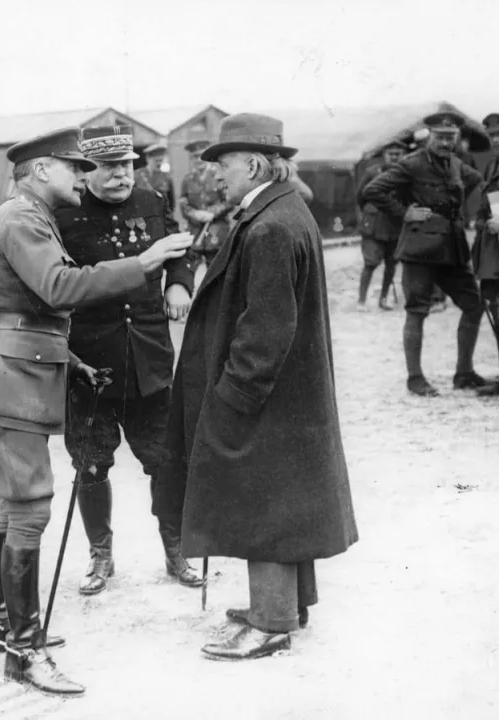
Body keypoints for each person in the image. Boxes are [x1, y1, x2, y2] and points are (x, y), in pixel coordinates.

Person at [0, 127, 192, 696]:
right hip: (12, 376)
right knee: (28, 505)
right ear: (39, 170)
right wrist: (145, 262)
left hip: (17, 367)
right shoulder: (23, 219)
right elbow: (57, 288)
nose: (83, 176)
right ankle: (24, 650)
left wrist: (73, 358)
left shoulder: (25, 216)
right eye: (72, 167)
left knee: (9, 504)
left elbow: (29, 309)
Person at [154, 113, 358, 661]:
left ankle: (271, 622)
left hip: (264, 394)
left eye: (222, 164)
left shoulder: (269, 225)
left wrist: (232, 396)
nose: (216, 175)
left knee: (262, 503)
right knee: (283, 500)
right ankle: (288, 605)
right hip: (289, 393)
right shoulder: (285, 210)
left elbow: (266, 330)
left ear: (252, 163)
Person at [55, 125, 202, 597]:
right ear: (86, 170)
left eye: (127, 164)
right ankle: (101, 555)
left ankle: (176, 551)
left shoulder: (151, 200)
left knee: (165, 460)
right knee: (91, 465)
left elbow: (180, 247)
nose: (121, 174)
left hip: (149, 360)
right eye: (108, 166)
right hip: (92, 364)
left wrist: (180, 281)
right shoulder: (65, 213)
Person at [362, 111, 487, 397]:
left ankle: (464, 373)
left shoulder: (456, 164)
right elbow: (373, 190)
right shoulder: (411, 164)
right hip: (420, 249)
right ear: (429, 136)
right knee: (417, 310)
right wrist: (404, 213)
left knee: (473, 304)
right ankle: (415, 378)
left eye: (450, 138)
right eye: (440, 137)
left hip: (452, 248)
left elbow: (480, 181)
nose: (445, 143)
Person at [356, 139, 408, 311]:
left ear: (403, 155)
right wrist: (370, 212)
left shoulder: (407, 174)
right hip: (375, 224)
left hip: (395, 225)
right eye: (390, 154)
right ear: (384, 155)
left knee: (392, 264)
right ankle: (361, 301)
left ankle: (383, 299)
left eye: (398, 154)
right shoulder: (372, 172)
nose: (394, 157)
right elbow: (361, 196)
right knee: (370, 263)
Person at [472, 113, 499, 396]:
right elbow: (483, 210)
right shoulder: (492, 167)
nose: (497, 140)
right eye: (492, 136)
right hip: (493, 255)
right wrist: (482, 223)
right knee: (496, 312)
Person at [179, 139, 234, 267]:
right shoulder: (187, 180)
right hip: (195, 233)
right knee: (188, 272)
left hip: (216, 233)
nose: (198, 159)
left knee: (217, 273)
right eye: (194, 156)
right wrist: (194, 213)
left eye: (201, 155)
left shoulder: (220, 176)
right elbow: (183, 203)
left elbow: (230, 201)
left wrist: (213, 212)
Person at [134, 143, 175, 210]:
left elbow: (171, 203)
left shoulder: (167, 177)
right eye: (156, 161)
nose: (159, 164)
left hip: (162, 216)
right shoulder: (137, 175)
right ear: (148, 158)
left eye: (161, 161)